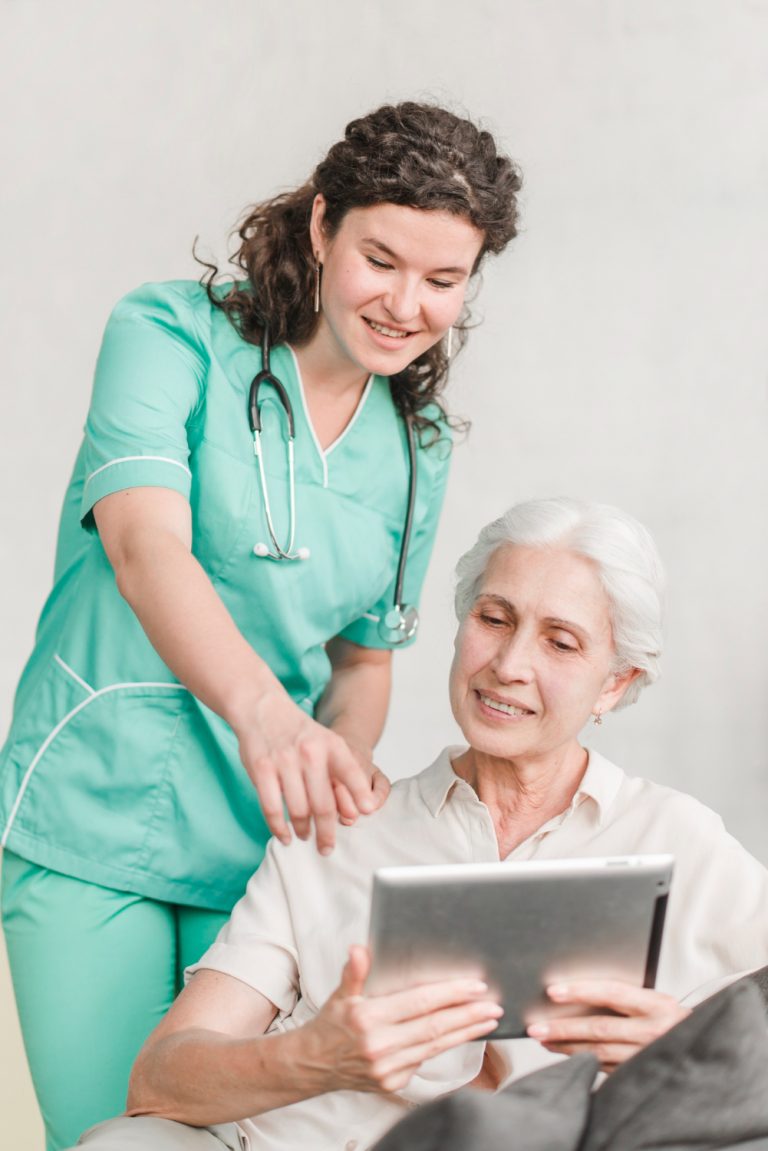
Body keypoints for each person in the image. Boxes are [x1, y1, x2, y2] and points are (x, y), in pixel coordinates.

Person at [0, 102, 523, 1150]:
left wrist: (335, 773)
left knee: (265, 1131)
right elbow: (146, 548)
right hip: (99, 805)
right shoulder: (168, 332)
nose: (407, 303)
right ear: (323, 224)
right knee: (126, 1127)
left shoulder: (417, 441)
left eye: (444, 279)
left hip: (262, 835)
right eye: (382, 258)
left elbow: (365, 658)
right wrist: (268, 719)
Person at [70, 497, 768, 1151]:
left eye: (560, 642)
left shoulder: (678, 840)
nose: (509, 664)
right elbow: (158, 1079)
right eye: (494, 618)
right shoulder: (341, 831)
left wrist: (690, 1051)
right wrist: (317, 1056)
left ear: (615, 682)